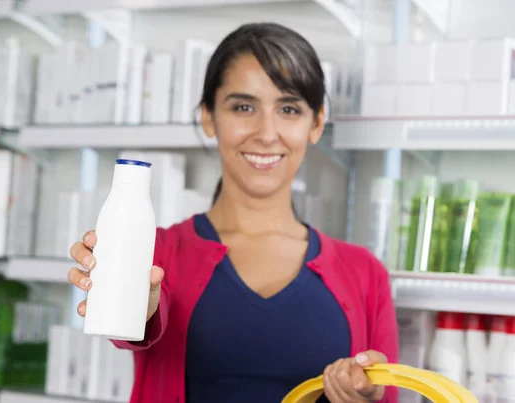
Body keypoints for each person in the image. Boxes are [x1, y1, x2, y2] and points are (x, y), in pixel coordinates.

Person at [67, 22, 398, 403]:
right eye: (244, 106)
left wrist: (367, 395)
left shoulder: (364, 273)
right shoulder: (156, 251)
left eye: (289, 108)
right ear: (208, 115)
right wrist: (130, 305)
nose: (266, 132)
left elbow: (386, 395)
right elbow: (131, 329)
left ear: (317, 122)